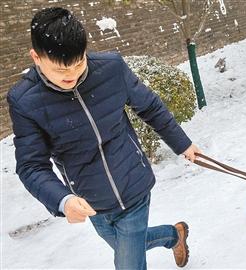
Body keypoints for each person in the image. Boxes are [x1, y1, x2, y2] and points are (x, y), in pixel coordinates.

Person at [7, 7, 200, 269]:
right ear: (36, 57)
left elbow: (150, 107)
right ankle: (174, 234)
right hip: (90, 199)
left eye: (78, 63)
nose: (71, 75)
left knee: (128, 263)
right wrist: (63, 200)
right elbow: (31, 165)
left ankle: (171, 236)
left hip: (132, 184)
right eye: (60, 69)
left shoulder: (111, 69)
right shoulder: (25, 101)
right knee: (131, 245)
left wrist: (182, 144)